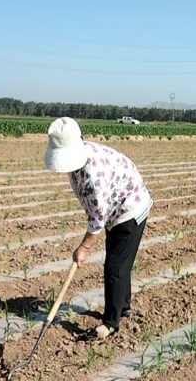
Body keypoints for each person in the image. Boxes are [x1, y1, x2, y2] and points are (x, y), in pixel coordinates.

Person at [44, 117, 153, 340]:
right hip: (116, 208)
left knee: (114, 266)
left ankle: (111, 323)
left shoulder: (94, 173)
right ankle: (123, 308)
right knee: (119, 262)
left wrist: (84, 247)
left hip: (131, 207)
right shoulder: (80, 162)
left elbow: (98, 215)